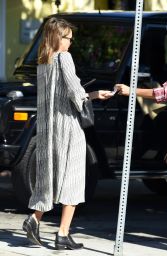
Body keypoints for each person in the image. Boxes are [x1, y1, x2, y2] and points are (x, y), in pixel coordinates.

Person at [22, 17, 114, 250]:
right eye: (68, 38)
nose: (71, 43)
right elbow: (75, 93)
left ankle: (34, 220)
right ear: (57, 37)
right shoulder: (65, 58)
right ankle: (62, 233)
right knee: (72, 180)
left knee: (49, 178)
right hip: (68, 128)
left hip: (48, 129)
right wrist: (95, 95)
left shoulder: (44, 63)